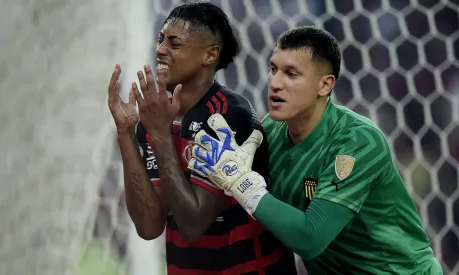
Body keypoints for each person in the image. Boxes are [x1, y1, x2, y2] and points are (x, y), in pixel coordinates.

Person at [187, 26, 443, 274]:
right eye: (273, 69)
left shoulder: (357, 141)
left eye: (291, 73)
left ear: (325, 85)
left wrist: (241, 182)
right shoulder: (269, 133)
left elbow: (310, 238)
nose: (275, 83)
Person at [107, 2, 297, 274]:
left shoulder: (229, 117)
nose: (159, 49)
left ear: (210, 55)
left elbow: (193, 225)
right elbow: (149, 227)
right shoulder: (156, 118)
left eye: (174, 43)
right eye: (161, 40)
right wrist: (126, 132)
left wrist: (160, 135)